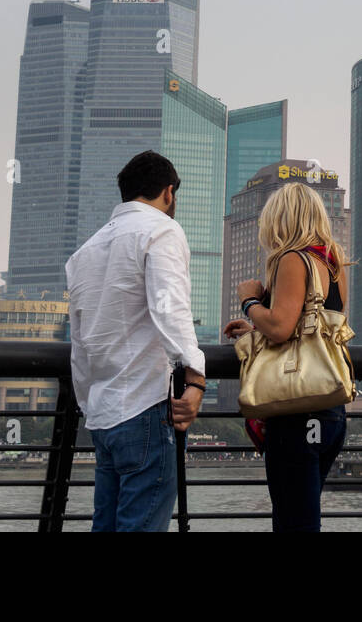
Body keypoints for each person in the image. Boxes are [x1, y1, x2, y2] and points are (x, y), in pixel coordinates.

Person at [67, 150, 206, 532]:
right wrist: (195, 378)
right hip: (144, 406)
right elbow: (169, 307)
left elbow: (79, 344)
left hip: (102, 414)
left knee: (106, 526)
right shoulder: (161, 230)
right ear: (168, 192)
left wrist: (89, 403)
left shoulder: (84, 253)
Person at [223, 182, 349, 532]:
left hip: (295, 415)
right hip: (330, 412)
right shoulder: (333, 262)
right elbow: (314, 332)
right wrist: (255, 330)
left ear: (279, 219)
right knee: (302, 518)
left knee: (293, 524)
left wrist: (250, 302)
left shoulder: (292, 259)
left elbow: (280, 328)